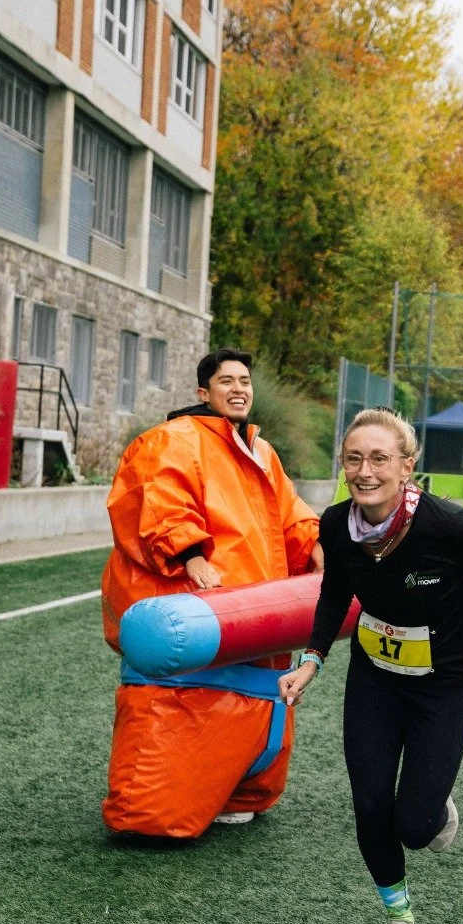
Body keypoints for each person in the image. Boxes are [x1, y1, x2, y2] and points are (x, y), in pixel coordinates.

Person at [278, 408, 463, 924]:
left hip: (444, 682)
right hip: (374, 676)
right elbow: (335, 592)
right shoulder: (336, 523)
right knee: (370, 804)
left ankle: (431, 805)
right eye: (354, 459)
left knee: (414, 826)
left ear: (406, 466)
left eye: (379, 458)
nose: (365, 471)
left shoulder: (449, 523)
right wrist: (312, 660)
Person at [100, 348, 321, 838]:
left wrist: (317, 547)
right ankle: (165, 802)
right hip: (206, 616)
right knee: (155, 807)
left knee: (257, 708)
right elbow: (157, 499)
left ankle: (242, 787)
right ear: (204, 392)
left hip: (256, 622)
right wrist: (190, 554)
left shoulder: (261, 452)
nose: (239, 389)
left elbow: (290, 514)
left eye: (245, 381)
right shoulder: (173, 440)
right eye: (227, 381)